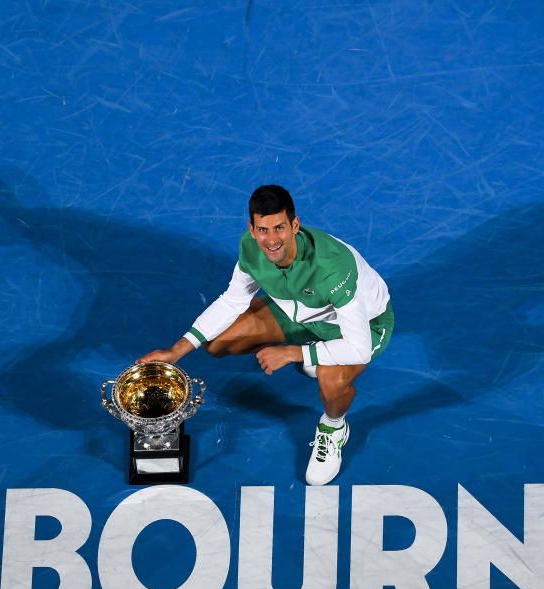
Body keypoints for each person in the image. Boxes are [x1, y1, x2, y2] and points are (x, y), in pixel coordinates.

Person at [138, 185, 393, 484]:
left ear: (295, 225)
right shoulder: (251, 247)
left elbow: (358, 348)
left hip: (363, 325)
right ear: (252, 228)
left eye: (279, 228)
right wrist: (177, 350)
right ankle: (317, 347)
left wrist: (293, 353)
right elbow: (233, 301)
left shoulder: (332, 268)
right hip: (302, 314)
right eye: (263, 230)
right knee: (218, 343)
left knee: (330, 378)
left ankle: (334, 427)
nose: (271, 240)